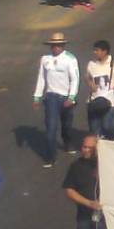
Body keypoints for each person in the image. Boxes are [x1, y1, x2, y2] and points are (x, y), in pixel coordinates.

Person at [32, 32, 80, 168]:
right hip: (51, 97)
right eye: (53, 46)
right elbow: (41, 78)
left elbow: (75, 79)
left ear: (63, 45)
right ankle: (50, 157)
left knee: (66, 125)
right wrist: (37, 97)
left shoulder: (70, 59)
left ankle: (67, 142)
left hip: (66, 97)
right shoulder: (45, 59)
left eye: (58, 45)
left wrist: (72, 97)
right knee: (51, 128)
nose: (55, 48)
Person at [85, 40, 114, 141]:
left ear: (105, 51)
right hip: (94, 100)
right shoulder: (91, 64)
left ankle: (113, 136)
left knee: (106, 125)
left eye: (97, 50)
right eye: (94, 50)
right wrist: (90, 84)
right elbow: (87, 77)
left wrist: (113, 88)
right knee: (94, 130)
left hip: (109, 101)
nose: (95, 52)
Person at [62, 135, 104, 229]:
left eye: (90, 148)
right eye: (84, 147)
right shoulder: (76, 166)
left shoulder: (105, 164)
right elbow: (69, 191)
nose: (86, 150)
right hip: (84, 216)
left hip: (106, 217)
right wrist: (89, 203)